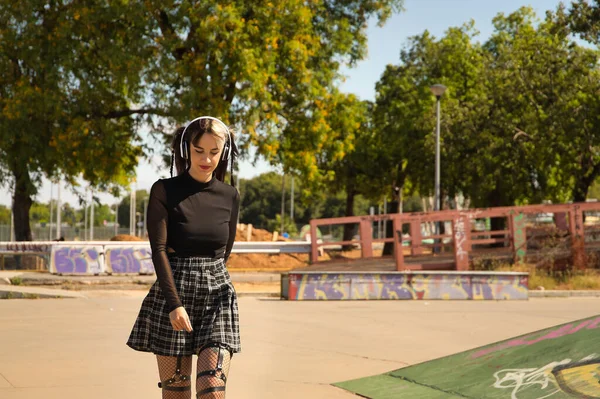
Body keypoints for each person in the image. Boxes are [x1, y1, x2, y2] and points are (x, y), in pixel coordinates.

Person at [127, 116, 241, 399]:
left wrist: (207, 273)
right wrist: (174, 303)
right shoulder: (164, 191)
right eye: (199, 151)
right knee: (176, 393)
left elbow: (224, 251)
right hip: (173, 294)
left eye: (214, 152)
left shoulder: (230, 195)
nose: (206, 159)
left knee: (212, 390)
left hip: (218, 296)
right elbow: (159, 250)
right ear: (185, 149)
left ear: (224, 152)